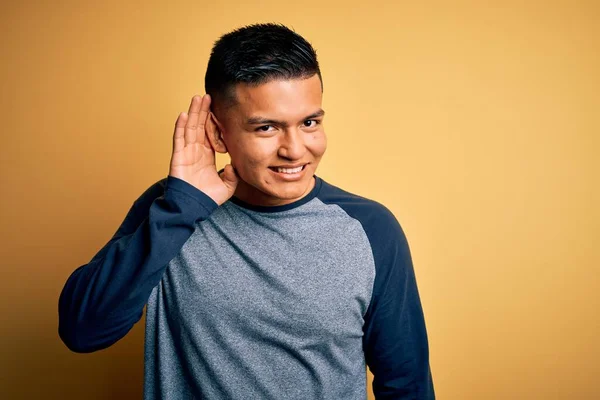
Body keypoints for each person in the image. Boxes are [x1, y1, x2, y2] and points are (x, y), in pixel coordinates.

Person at [58, 23, 435, 399]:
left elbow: (407, 384)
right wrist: (182, 208)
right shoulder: (171, 211)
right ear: (218, 134)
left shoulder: (370, 228)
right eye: (267, 128)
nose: (295, 149)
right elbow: (83, 331)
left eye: (309, 123)